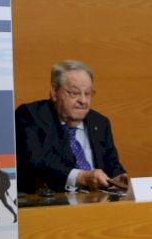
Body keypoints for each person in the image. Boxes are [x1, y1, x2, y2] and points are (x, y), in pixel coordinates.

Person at [15, 60, 128, 194]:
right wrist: (81, 177)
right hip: (52, 202)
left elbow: (112, 165)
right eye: (74, 93)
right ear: (54, 92)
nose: (83, 101)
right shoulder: (31, 116)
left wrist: (117, 178)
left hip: (98, 201)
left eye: (87, 93)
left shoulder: (100, 122)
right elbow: (38, 161)